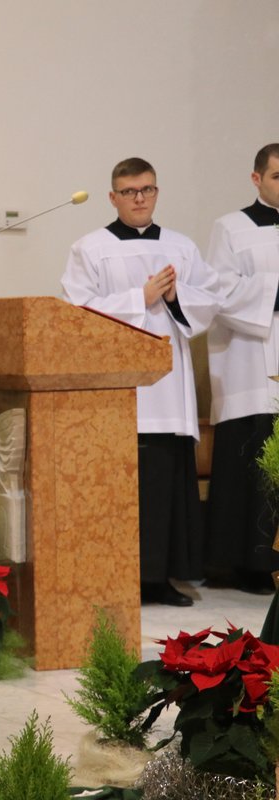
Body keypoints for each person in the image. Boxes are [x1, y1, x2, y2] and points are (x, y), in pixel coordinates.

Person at [62, 157, 221, 607]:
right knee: (116, 488)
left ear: (156, 193)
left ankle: (160, 579)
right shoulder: (90, 248)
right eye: (130, 192)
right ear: (113, 197)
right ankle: (115, 578)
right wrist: (140, 297)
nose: (139, 199)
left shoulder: (181, 247)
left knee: (164, 486)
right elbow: (77, 312)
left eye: (147, 190)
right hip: (115, 390)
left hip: (167, 390)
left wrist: (175, 295)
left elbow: (211, 301)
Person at [205, 143, 279, 595]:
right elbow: (219, 291)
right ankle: (251, 565)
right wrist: (273, 291)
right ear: (257, 179)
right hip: (252, 362)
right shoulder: (231, 227)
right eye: (277, 176)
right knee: (253, 463)